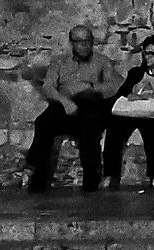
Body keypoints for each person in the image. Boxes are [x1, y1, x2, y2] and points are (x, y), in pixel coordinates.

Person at [24, 23, 115, 193]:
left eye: (88, 41)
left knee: (90, 125)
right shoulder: (59, 62)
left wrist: (89, 86)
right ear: (72, 43)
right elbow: (48, 87)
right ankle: (35, 174)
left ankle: (91, 181)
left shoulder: (102, 61)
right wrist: (65, 101)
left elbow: (112, 87)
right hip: (64, 103)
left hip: (90, 104)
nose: (84, 45)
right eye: (79, 41)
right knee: (43, 122)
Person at [102, 33, 154, 191]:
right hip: (135, 110)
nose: (147, 57)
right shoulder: (136, 72)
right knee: (114, 127)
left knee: (151, 128)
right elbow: (123, 92)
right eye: (145, 53)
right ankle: (110, 174)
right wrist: (134, 94)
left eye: (151, 53)